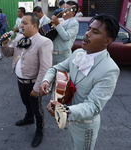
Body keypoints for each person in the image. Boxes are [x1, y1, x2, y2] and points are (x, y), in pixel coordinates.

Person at [40, 14, 120, 150]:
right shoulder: (78, 53)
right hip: (69, 119)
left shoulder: (110, 69)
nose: (87, 34)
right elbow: (56, 68)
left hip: (84, 125)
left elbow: (93, 106)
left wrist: (64, 111)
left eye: (95, 32)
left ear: (108, 40)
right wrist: (46, 80)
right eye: (88, 29)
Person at [0, 12, 53, 147]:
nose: (21, 25)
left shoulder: (44, 42)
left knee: (38, 109)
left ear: (34, 25)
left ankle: (40, 131)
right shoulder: (18, 38)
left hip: (33, 83)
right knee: (26, 102)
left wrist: (37, 88)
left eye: (25, 23)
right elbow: (8, 53)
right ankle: (29, 118)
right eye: (21, 23)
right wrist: (4, 44)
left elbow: (45, 68)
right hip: (20, 81)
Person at [51, 1, 79, 65]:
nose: (63, 11)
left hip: (63, 56)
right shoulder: (60, 20)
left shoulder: (74, 23)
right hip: (52, 55)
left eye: (66, 9)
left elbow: (66, 37)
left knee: (61, 75)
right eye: (64, 8)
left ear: (73, 13)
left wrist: (57, 24)